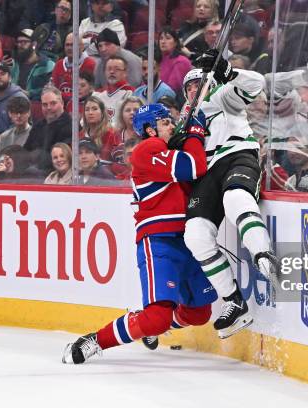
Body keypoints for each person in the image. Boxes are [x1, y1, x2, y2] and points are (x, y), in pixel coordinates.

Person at [62, 103, 215, 364]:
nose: (172, 126)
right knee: (157, 317)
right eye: (165, 122)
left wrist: (192, 138)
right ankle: (94, 340)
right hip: (160, 240)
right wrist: (195, 133)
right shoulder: (148, 148)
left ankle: (151, 327)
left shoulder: (167, 150)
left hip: (189, 238)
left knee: (199, 313)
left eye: (171, 121)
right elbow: (194, 167)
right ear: (149, 129)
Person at [182, 51, 279, 338]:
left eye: (198, 83)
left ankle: (263, 254)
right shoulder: (185, 121)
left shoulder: (223, 97)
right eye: (188, 87)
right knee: (195, 234)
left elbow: (256, 84)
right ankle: (235, 302)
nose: (193, 90)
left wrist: (227, 71)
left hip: (237, 156)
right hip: (207, 172)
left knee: (236, 198)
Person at [23, 86, 72, 173]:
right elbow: (25, 150)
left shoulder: (71, 126)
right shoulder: (38, 125)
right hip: (32, 171)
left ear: (62, 103)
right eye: (45, 104)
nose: (48, 107)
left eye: (53, 103)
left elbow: (62, 158)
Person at [10, 29, 55, 101]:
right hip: (14, 104)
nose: (19, 45)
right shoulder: (14, 64)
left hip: (36, 105)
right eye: (18, 42)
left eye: (24, 42)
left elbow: (51, 89)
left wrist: (29, 93)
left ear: (34, 44)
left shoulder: (47, 65)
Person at [52, 33, 97, 102]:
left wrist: (63, 95)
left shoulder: (90, 64)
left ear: (82, 47)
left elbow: (93, 91)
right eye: (67, 45)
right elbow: (53, 89)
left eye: (73, 45)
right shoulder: (59, 64)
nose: (69, 48)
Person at [92, 56, 135, 125]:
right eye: (109, 69)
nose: (112, 72)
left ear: (125, 73)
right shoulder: (97, 94)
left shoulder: (131, 94)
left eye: (117, 69)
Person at [158, 27, 192, 95]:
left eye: (168, 38)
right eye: (161, 38)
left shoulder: (182, 61)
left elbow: (172, 88)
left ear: (176, 42)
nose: (163, 41)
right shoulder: (157, 60)